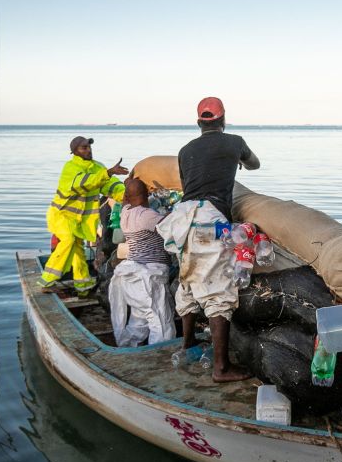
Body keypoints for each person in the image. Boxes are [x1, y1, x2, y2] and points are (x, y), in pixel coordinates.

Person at [157, 96, 260, 382]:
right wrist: (236, 160)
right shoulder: (234, 141)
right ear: (223, 119)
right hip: (210, 221)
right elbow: (255, 165)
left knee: (189, 282)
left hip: (184, 218)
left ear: (199, 122)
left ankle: (188, 343)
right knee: (218, 293)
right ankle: (221, 368)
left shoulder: (185, 149)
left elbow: (188, 182)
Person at [41, 136, 128, 297]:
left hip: (79, 220)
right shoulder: (71, 168)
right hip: (62, 215)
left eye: (88, 147)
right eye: (83, 148)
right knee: (68, 242)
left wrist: (130, 192)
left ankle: (83, 286)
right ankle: (47, 281)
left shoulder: (97, 168)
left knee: (78, 251)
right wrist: (107, 172)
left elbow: (110, 186)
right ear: (74, 151)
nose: (88, 150)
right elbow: (81, 184)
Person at [107, 177, 176, 347]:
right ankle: (160, 355)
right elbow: (171, 225)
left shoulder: (126, 212)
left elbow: (126, 201)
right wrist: (176, 211)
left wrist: (129, 184)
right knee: (161, 323)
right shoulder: (147, 216)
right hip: (149, 277)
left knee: (139, 321)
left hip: (132, 279)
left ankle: (126, 347)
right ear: (148, 193)